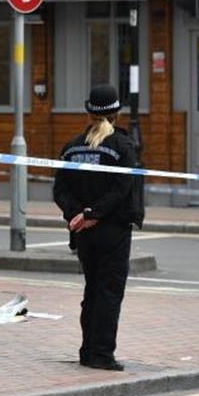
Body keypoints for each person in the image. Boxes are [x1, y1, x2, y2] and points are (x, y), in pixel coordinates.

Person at [53, 83, 138, 371]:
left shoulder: (71, 147)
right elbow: (122, 190)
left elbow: (60, 190)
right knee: (109, 292)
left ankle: (87, 351)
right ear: (117, 111)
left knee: (91, 290)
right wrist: (93, 213)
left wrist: (77, 214)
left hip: (83, 232)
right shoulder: (123, 146)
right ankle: (101, 354)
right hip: (112, 229)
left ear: (89, 110)